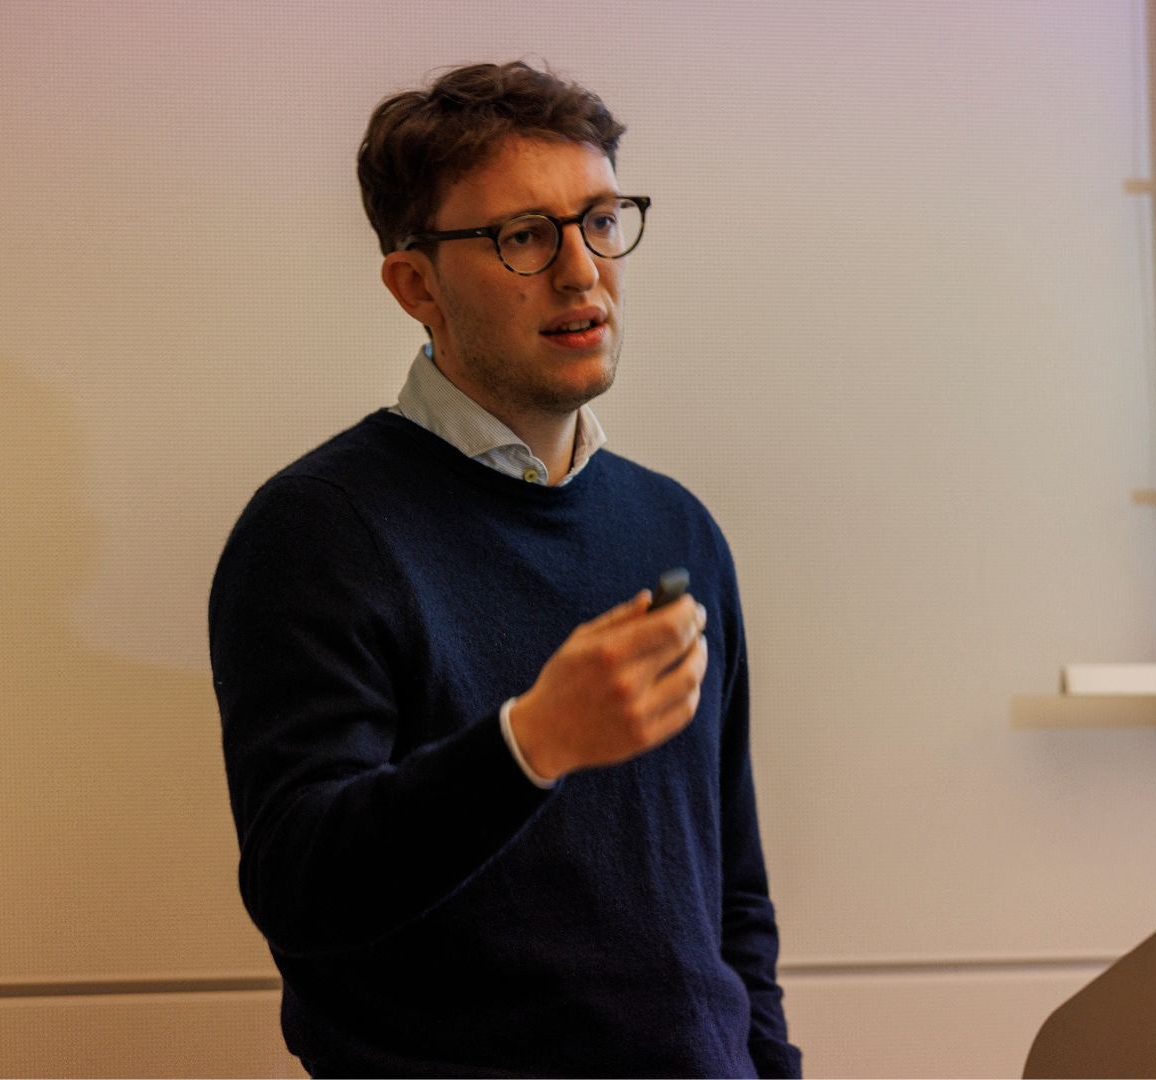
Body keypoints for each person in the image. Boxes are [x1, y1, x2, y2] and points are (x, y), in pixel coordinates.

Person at [208, 61, 800, 1078]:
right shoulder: (316, 531)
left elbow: (730, 890)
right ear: (416, 285)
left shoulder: (676, 527)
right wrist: (531, 743)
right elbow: (299, 886)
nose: (581, 271)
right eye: (524, 236)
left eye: (601, 221)